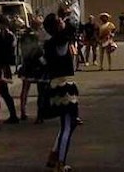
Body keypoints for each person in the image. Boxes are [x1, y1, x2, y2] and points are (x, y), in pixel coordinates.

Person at [42, 13, 79, 172]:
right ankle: (61, 163)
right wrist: (69, 15)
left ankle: (53, 156)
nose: (63, 21)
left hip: (57, 84)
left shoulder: (50, 42)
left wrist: (62, 18)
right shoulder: (61, 39)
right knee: (67, 126)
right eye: (60, 21)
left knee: (69, 124)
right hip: (65, 85)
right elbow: (73, 24)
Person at [18, 15, 48, 122]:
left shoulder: (26, 34)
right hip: (37, 65)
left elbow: (22, 49)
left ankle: (23, 111)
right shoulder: (40, 34)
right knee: (40, 91)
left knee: (26, 89)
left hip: (29, 64)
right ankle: (39, 114)